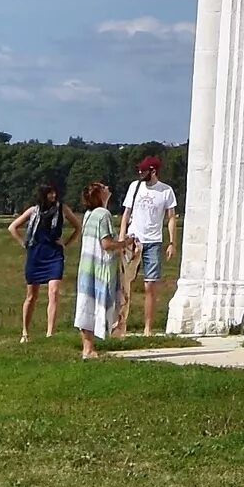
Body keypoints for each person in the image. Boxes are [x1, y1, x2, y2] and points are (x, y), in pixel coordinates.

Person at [9, 180, 76, 341]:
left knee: (54, 292)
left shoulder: (62, 209)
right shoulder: (33, 211)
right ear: (43, 194)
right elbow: (12, 227)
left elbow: (77, 227)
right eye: (49, 193)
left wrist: (66, 243)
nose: (53, 196)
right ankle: (25, 332)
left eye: (54, 192)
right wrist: (23, 243)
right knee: (31, 295)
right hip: (36, 253)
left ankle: (50, 333)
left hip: (54, 253)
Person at [120, 153, 179, 336]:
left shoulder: (166, 191)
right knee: (124, 283)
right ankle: (120, 324)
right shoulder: (134, 187)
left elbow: (171, 218)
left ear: (153, 171)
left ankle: (148, 328)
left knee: (150, 286)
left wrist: (172, 242)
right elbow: (126, 214)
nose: (140, 172)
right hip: (134, 239)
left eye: (144, 170)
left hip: (153, 241)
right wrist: (122, 237)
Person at [74, 178, 125, 358]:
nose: (107, 187)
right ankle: (91, 348)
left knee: (85, 304)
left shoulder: (89, 214)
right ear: (99, 194)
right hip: (99, 266)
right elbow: (106, 243)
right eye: (104, 187)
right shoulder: (103, 214)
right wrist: (126, 243)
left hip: (87, 265)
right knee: (98, 302)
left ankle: (87, 347)